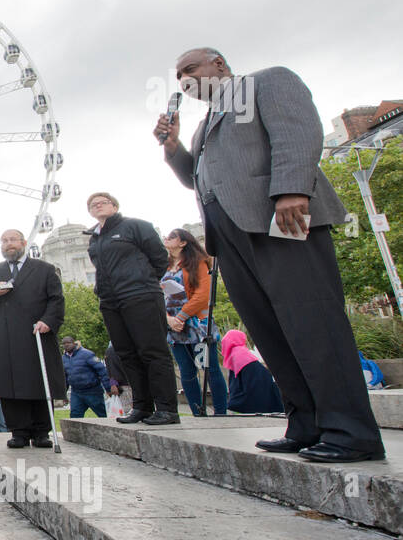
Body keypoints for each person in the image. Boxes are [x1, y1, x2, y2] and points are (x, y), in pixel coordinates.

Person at [158, 48, 384, 462]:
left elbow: (297, 131)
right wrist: (173, 147)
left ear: (219, 64)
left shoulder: (267, 81)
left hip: (281, 218)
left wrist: (292, 189)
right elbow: (199, 179)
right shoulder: (202, 126)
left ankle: (352, 431)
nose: (183, 80)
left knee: (312, 320)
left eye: (190, 69)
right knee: (271, 330)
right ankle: (305, 423)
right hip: (229, 235)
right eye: (177, 76)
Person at [85, 193, 179, 426]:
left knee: (153, 351)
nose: (97, 205)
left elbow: (159, 258)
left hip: (140, 295)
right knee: (126, 354)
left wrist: (144, 281)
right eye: (92, 204)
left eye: (103, 201)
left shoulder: (136, 226)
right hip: (110, 301)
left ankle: (167, 408)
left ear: (115, 206)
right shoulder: (94, 239)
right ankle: (142, 406)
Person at [0, 229, 66, 449]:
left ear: (24, 243)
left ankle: (42, 431)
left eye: (12, 240)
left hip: (36, 334)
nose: (8, 244)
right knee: (10, 386)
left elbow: (56, 299)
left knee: (39, 383)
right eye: (4, 240)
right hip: (5, 337)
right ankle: (19, 431)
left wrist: (48, 321)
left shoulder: (44, 269)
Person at [161, 228, 227, 417]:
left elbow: (202, 295)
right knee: (186, 371)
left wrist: (181, 316)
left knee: (209, 367)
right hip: (173, 325)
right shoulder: (163, 266)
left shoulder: (197, 262)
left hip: (196, 323)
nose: (166, 238)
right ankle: (197, 412)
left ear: (183, 242)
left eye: (172, 237)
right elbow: (157, 295)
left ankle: (220, 412)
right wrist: (169, 319)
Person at [221, 330, 284, 414]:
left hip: (257, 384)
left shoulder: (236, 353)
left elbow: (236, 381)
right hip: (264, 382)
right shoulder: (241, 351)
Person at [61, 337, 116, 418]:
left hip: (93, 391)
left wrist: (108, 388)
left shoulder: (87, 354)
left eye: (68, 343)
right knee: (75, 417)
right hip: (76, 393)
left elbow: (102, 371)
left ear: (74, 343)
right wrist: (63, 394)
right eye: (64, 343)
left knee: (104, 414)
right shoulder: (63, 358)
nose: (66, 345)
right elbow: (65, 378)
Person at [105, 342, 133, 413]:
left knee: (128, 412)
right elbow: (111, 369)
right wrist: (113, 384)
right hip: (127, 385)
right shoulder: (113, 350)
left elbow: (110, 370)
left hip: (124, 386)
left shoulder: (111, 350)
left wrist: (113, 384)